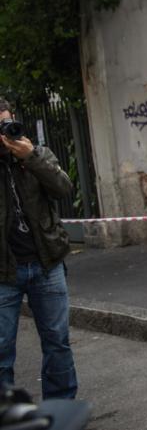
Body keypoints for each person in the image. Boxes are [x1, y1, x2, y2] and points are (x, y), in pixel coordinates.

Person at [0, 99, 77, 401]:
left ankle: (60, 409)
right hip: (4, 271)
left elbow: (63, 189)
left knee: (58, 342)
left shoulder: (38, 154)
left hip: (47, 265)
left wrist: (30, 158)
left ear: (14, 120)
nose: (4, 132)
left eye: (6, 123)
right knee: (2, 351)